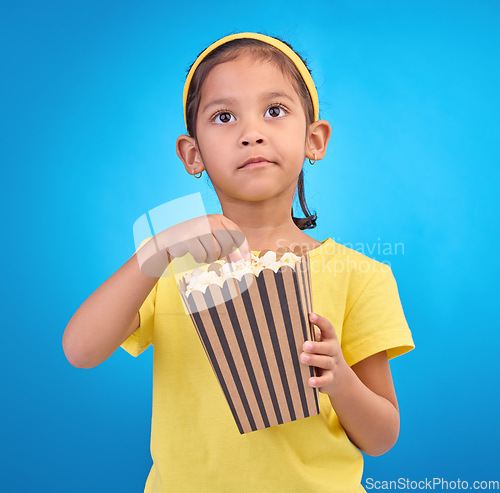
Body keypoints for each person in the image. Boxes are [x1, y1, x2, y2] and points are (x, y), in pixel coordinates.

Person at [63, 32, 415, 492]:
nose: (252, 133)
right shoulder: (170, 267)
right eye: (224, 117)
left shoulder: (361, 276)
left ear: (314, 140)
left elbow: (382, 438)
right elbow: (81, 350)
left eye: (275, 111)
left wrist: (341, 382)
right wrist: (156, 249)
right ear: (193, 154)